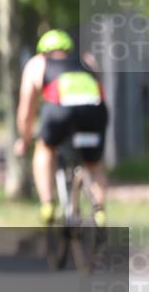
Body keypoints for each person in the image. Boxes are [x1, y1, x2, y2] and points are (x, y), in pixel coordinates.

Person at [14, 29, 109, 226]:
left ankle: (47, 204)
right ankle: (99, 211)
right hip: (94, 112)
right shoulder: (87, 59)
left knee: (45, 148)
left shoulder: (37, 63)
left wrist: (24, 140)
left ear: (42, 50)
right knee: (94, 164)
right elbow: (99, 90)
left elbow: (26, 111)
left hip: (59, 112)